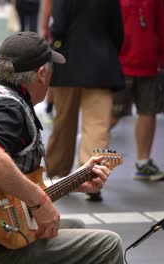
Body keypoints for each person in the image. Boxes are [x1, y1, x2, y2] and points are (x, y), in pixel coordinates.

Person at [0, 32, 123, 263]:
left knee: (76, 227)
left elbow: (1, 186)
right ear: (41, 74)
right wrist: (40, 202)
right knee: (108, 244)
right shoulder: (8, 106)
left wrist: (72, 182)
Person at [45, 0, 124, 202]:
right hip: (101, 63)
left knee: (63, 122)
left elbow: (58, 26)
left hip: (68, 60)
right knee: (97, 125)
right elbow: (117, 30)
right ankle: (92, 178)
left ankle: (57, 175)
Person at [111, 0, 164, 182]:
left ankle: (143, 162)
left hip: (148, 63)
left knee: (148, 112)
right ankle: (86, 154)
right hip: (121, 64)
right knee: (110, 116)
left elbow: (160, 25)